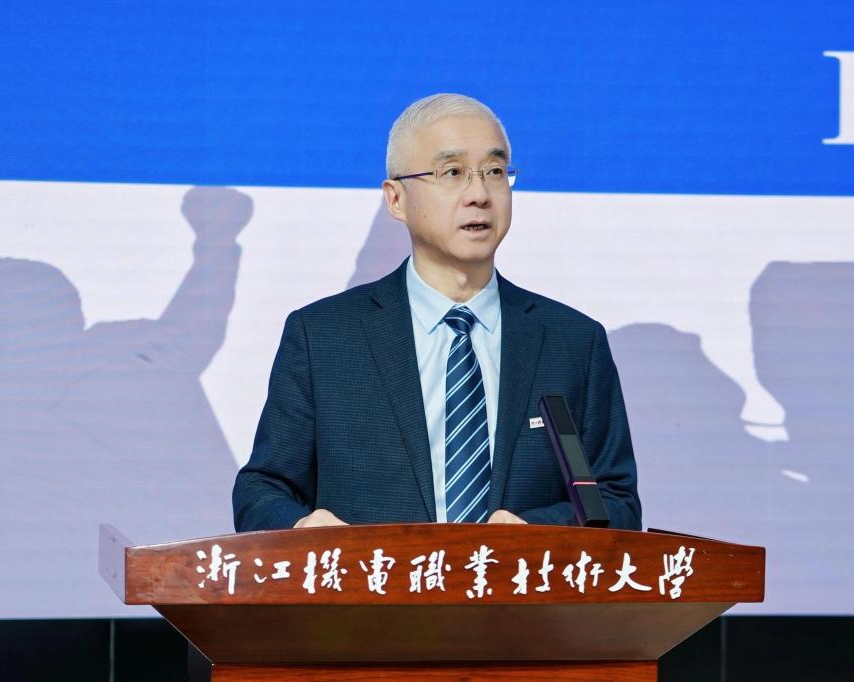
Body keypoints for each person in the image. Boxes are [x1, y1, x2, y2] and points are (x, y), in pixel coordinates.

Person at [232, 94, 640, 530]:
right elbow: (262, 491)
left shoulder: (573, 342)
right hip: (374, 576)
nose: (479, 195)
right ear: (396, 199)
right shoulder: (323, 337)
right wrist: (306, 532)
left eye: (495, 172)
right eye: (453, 173)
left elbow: (616, 502)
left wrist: (537, 534)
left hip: (518, 577)